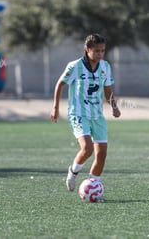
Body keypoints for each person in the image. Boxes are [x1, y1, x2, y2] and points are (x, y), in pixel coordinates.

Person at [50, 33, 121, 197]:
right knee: (87, 148)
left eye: (102, 51)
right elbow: (60, 84)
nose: (100, 54)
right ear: (87, 49)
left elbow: (108, 89)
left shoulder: (105, 67)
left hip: (97, 115)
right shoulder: (75, 66)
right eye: (96, 51)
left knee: (102, 153)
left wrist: (114, 107)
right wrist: (55, 107)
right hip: (78, 114)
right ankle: (73, 171)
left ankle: (92, 185)